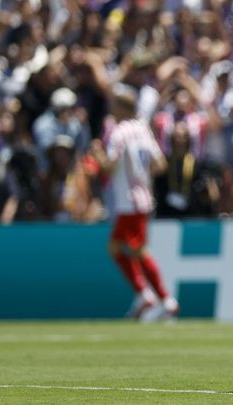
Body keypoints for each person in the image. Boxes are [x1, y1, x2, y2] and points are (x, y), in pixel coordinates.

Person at [89, 84, 179, 321]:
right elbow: (160, 165)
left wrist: (97, 154)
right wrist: (141, 175)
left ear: (122, 107)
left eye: (114, 105)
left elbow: (109, 166)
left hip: (128, 200)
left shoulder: (119, 132)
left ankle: (165, 299)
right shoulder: (143, 129)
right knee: (117, 247)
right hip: (143, 197)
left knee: (137, 250)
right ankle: (145, 295)